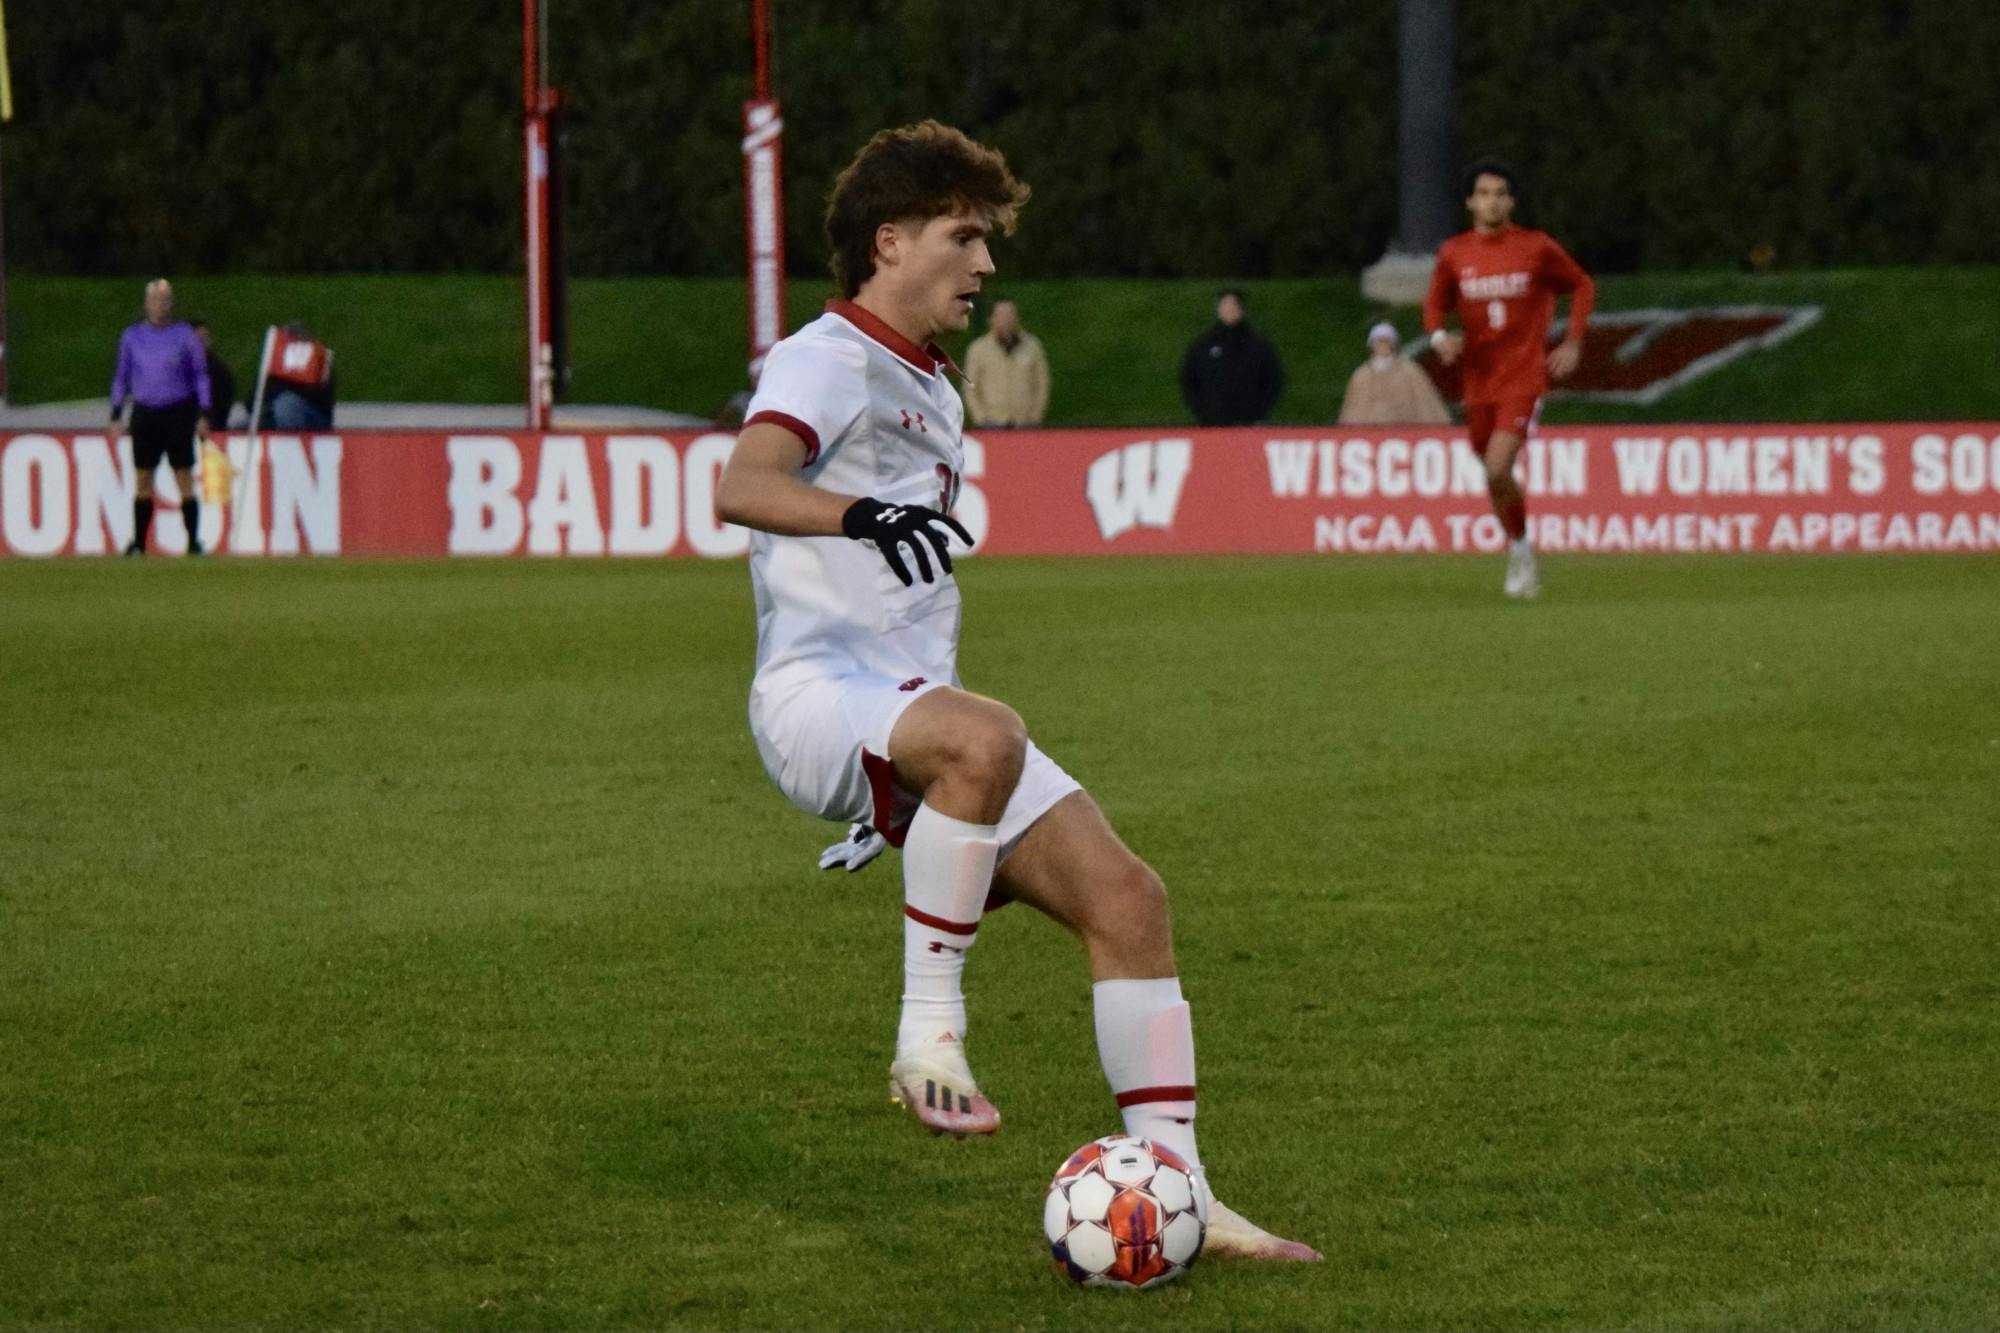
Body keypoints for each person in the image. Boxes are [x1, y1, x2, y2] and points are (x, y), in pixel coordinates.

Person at [714, 121, 1319, 1263]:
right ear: (887, 242)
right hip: (816, 698)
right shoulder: (826, 355)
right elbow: (742, 483)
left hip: (912, 709)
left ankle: (1179, 1188)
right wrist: (860, 512)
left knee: (1129, 900)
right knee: (983, 737)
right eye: (962, 237)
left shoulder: (930, 384)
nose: (985, 265)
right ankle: (927, 1035)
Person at [1424, 158, 1595, 598]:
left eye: (1500, 193)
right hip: (1478, 380)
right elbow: (1433, 305)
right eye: (1483, 194)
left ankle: (1520, 556)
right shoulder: (1454, 253)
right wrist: (1441, 337)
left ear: (1512, 201)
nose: (1492, 201)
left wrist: (1572, 342)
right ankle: (1521, 548)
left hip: (1523, 376)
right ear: (1469, 202)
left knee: (1499, 465)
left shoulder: (1535, 247)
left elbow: (1581, 285)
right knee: (1494, 476)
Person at [109, 279, 214, 557]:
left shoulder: (184, 336)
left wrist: (204, 412)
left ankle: (193, 542)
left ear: (171, 304)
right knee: (143, 479)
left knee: (184, 477)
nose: (159, 306)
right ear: (146, 304)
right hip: (145, 413)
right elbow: (122, 376)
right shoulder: (132, 337)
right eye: (155, 300)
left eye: (164, 300)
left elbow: (200, 375)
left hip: (177, 412)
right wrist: (116, 412)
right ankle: (140, 544)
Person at [1178, 288, 1283, 426]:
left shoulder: (1258, 345)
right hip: (1213, 423)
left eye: (1233, 305)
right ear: (1218, 309)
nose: (1229, 309)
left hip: (1249, 423)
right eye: (1225, 305)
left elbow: (1273, 380)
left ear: (1241, 310)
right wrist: (1203, 412)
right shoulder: (1203, 345)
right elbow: (1189, 380)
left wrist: (1258, 411)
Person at [1337, 321, 1452, 426]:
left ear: (1393, 344)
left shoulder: (1410, 371)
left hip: (1404, 434)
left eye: (1386, 341)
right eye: (1378, 341)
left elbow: (1427, 405)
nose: (1382, 345)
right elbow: (1351, 411)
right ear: (1371, 345)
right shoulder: (1361, 375)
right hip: (1369, 438)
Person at [961, 299, 1049, 427]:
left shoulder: (1032, 347)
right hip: (992, 423)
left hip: (1025, 424)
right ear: (991, 319)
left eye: (1010, 315)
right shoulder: (978, 349)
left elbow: (1042, 384)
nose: (1007, 320)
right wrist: (981, 418)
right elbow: (970, 387)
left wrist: (1035, 416)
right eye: (1001, 316)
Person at [257, 322, 337, 430]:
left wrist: (289, 381)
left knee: (286, 405)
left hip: (312, 420)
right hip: (274, 416)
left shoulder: (321, 362)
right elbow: (252, 402)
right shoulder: (275, 364)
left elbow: (320, 397)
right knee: (242, 426)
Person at [190, 320, 238, 431]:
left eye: (205, 338)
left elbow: (218, 407)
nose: (201, 343)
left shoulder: (219, 372)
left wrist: (203, 418)